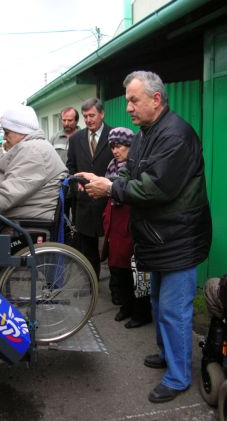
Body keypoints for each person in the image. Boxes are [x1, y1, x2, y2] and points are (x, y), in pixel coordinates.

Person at [75, 71, 212, 403]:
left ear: (156, 99)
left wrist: (111, 188)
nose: (130, 108)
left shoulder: (175, 135)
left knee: (174, 310)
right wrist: (109, 181)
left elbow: (156, 188)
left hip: (177, 239)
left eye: (134, 101)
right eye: (127, 102)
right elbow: (131, 172)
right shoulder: (148, 132)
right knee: (156, 301)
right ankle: (168, 356)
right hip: (155, 237)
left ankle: (179, 377)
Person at [102, 127, 152, 328]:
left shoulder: (139, 166)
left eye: (120, 146)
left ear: (131, 146)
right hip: (116, 221)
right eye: (113, 146)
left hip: (133, 220)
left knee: (137, 269)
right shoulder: (111, 165)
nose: (116, 150)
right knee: (119, 268)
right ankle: (126, 306)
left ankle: (141, 313)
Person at [66, 98, 113, 279]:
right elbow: (70, 167)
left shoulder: (113, 135)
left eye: (92, 115)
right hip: (84, 203)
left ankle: (116, 289)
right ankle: (91, 282)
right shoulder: (76, 139)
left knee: (114, 249)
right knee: (87, 248)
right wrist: (75, 181)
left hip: (108, 201)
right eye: (85, 116)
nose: (88, 120)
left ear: (101, 114)